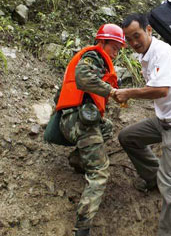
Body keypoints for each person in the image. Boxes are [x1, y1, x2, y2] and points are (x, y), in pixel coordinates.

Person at [115, 13, 171, 236]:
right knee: (128, 137)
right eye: (129, 39)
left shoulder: (161, 52)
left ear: (149, 30)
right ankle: (154, 178)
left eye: (137, 36)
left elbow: (161, 90)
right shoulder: (146, 55)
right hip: (165, 120)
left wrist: (127, 93)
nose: (134, 43)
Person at [53, 24, 125, 236]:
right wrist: (111, 91)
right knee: (99, 172)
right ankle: (82, 228)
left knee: (108, 127)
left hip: (71, 120)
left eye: (119, 49)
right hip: (80, 122)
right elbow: (84, 79)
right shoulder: (94, 56)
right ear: (101, 42)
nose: (116, 52)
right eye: (114, 47)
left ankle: (78, 160)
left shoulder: (92, 59)